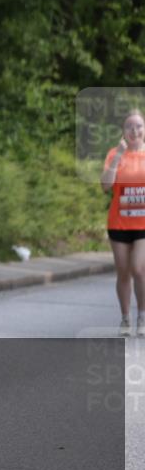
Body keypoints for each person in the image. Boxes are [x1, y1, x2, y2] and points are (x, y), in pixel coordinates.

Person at [101, 108, 145, 337]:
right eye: (129, 126)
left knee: (139, 269)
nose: (134, 131)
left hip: (143, 225)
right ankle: (126, 318)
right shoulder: (114, 154)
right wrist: (119, 155)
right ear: (123, 131)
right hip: (119, 223)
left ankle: (142, 317)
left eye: (139, 126)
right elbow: (105, 186)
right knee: (123, 272)